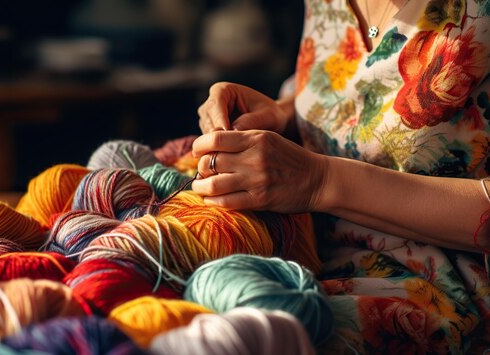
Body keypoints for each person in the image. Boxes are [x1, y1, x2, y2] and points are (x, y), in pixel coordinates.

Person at [192, 0, 490, 353]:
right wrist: (282, 113)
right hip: (303, 242)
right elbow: (353, 91)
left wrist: (320, 181)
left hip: (443, 292)